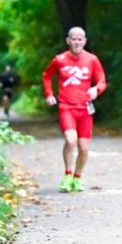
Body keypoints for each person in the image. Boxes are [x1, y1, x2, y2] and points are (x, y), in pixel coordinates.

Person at [42, 27, 107, 192]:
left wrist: (96, 89)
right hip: (66, 107)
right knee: (71, 140)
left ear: (85, 41)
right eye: (74, 39)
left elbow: (102, 81)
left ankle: (77, 178)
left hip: (85, 109)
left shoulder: (92, 60)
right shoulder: (60, 59)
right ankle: (67, 174)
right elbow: (47, 75)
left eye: (80, 39)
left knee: (84, 147)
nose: (77, 42)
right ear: (68, 41)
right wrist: (49, 94)